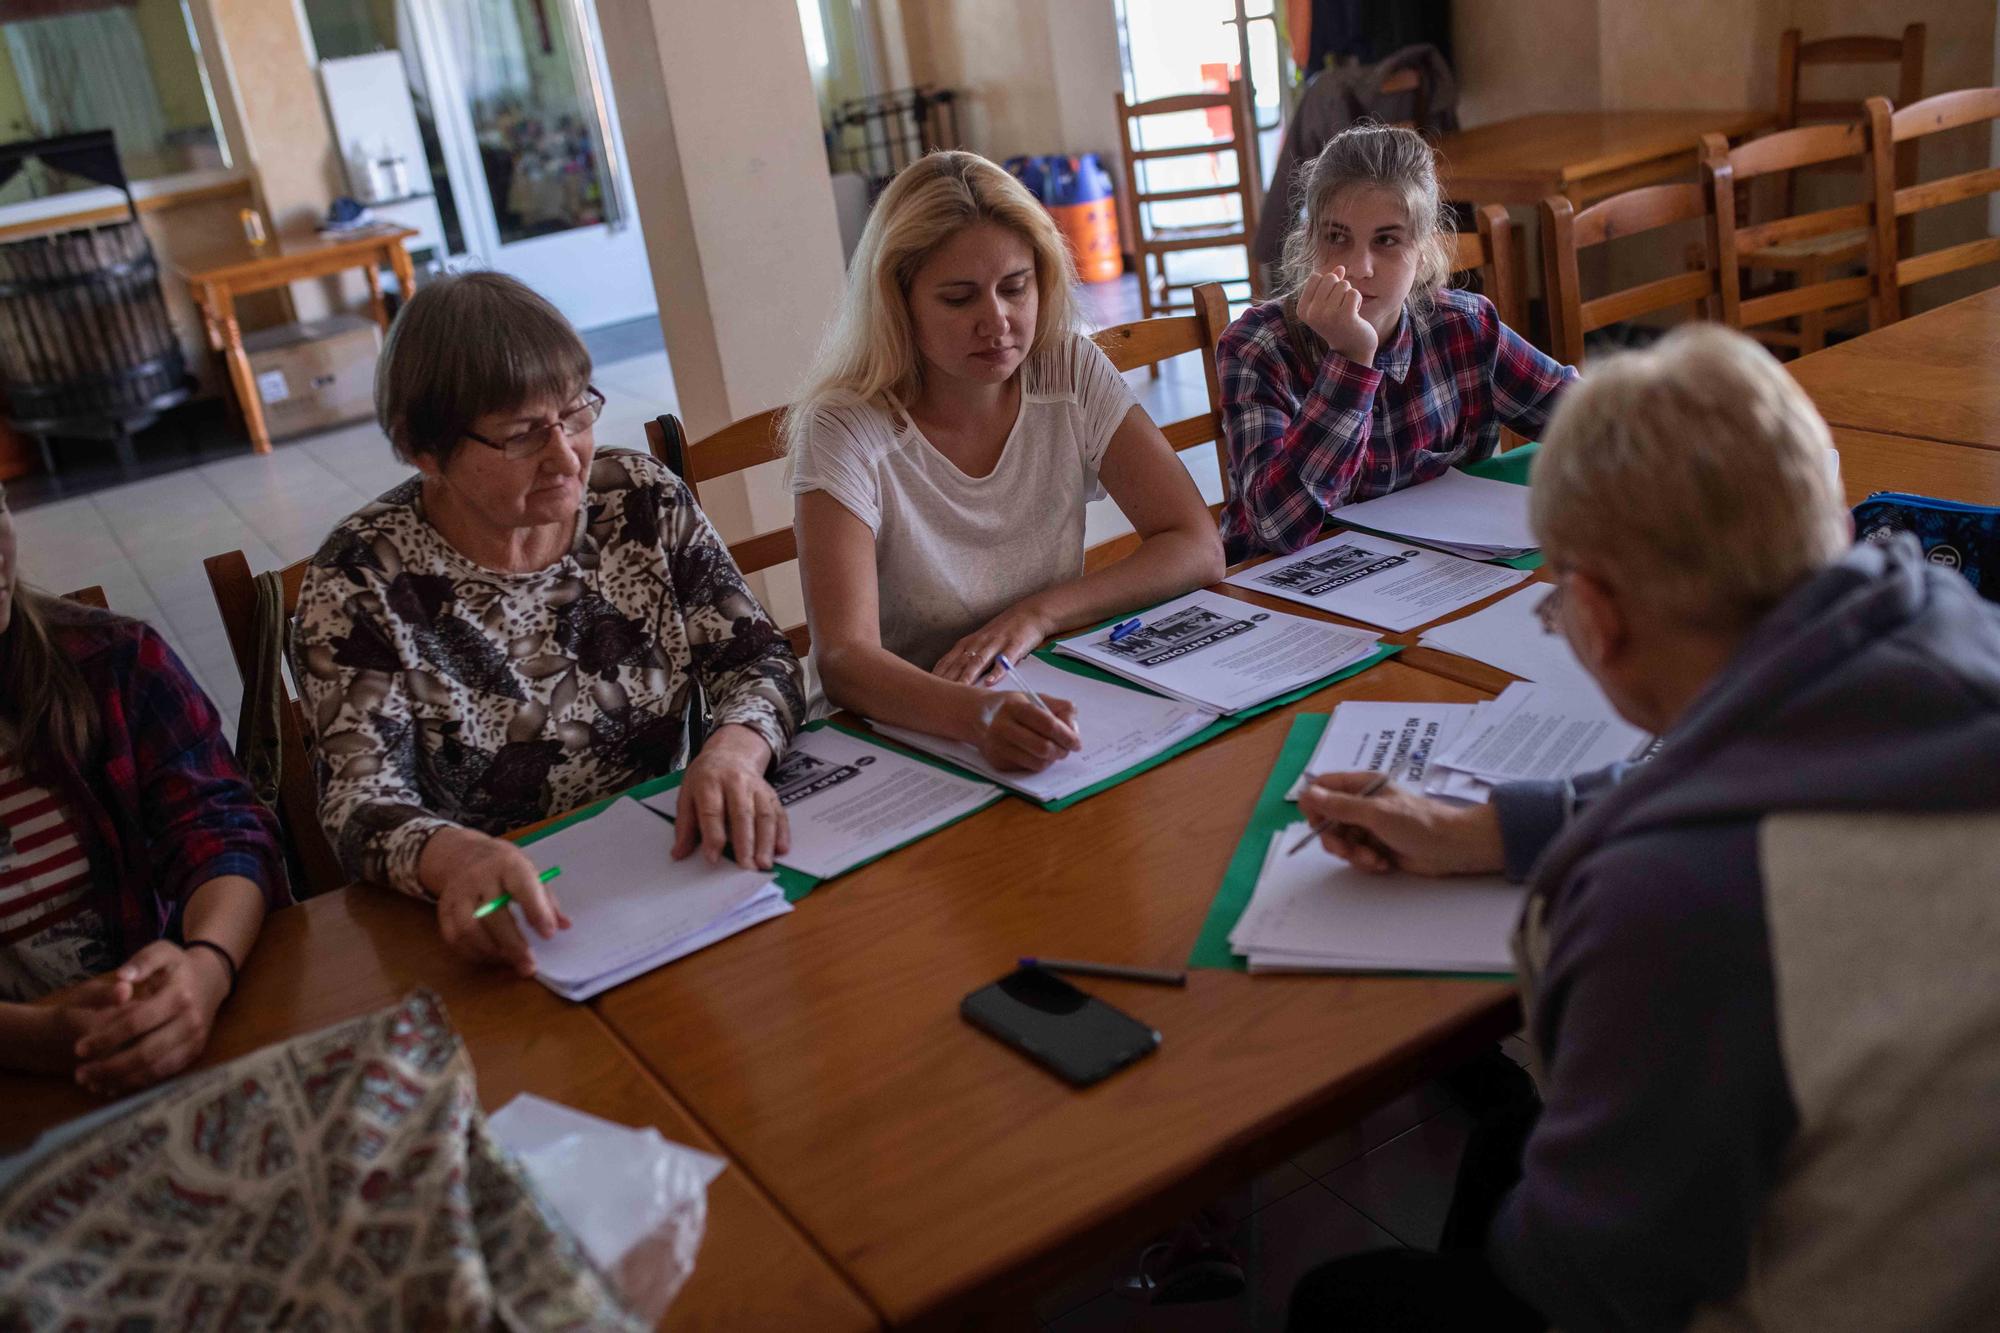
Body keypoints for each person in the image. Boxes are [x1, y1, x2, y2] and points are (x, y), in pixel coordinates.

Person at [1286, 325, 2000, 1330]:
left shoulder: (1675, 903)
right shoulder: (1946, 622)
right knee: (1506, 1150)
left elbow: (1585, 1280)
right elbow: (1783, 781)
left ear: (1595, 615)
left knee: (1341, 1302)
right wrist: (1493, 826)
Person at [293, 272, 807, 978]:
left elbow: (759, 661)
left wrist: (731, 752)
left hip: (677, 871)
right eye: (521, 435)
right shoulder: (361, 579)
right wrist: (457, 857)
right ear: (423, 449)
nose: (566, 457)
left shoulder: (638, 500)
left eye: (575, 415)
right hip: (501, 920)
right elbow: (360, 801)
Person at [790, 150, 1224, 773]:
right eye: (958, 298)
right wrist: (977, 718)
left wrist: (1037, 616)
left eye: (1015, 288)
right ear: (899, 303)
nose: (997, 322)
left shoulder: (1066, 368)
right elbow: (844, 661)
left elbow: (1196, 544)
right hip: (892, 737)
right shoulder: (842, 428)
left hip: (1037, 688)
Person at [0, 483, 288, 1095]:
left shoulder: (113, 662)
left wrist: (206, 966)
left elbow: (223, 831)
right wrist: (36, 1037)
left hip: (169, 1038)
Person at [1219, 123, 1575, 561]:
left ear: (1423, 250)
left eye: (1386, 240)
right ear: (1309, 241)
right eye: (1336, 237)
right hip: (1289, 598)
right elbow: (1276, 528)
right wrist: (1351, 362)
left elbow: (1581, 416)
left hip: (1434, 583)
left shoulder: (1463, 328)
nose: (1358, 267)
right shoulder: (1258, 347)